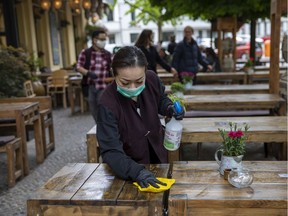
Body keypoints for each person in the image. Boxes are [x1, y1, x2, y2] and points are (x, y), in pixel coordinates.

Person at [96, 46, 184, 188]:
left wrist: (170, 108)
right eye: (125, 82)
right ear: (114, 74)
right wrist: (136, 172)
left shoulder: (151, 79)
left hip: (158, 153)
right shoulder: (107, 103)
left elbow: (160, 99)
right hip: (128, 167)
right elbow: (111, 150)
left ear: (145, 71)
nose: (132, 87)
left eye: (139, 81)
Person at [77, 29, 112, 123]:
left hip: (104, 87)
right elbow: (79, 66)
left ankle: (104, 127)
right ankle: (99, 126)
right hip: (90, 86)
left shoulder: (108, 54)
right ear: (94, 40)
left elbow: (113, 68)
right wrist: (88, 73)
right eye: (102, 39)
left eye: (105, 39)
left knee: (103, 108)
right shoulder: (86, 53)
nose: (104, 41)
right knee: (93, 109)